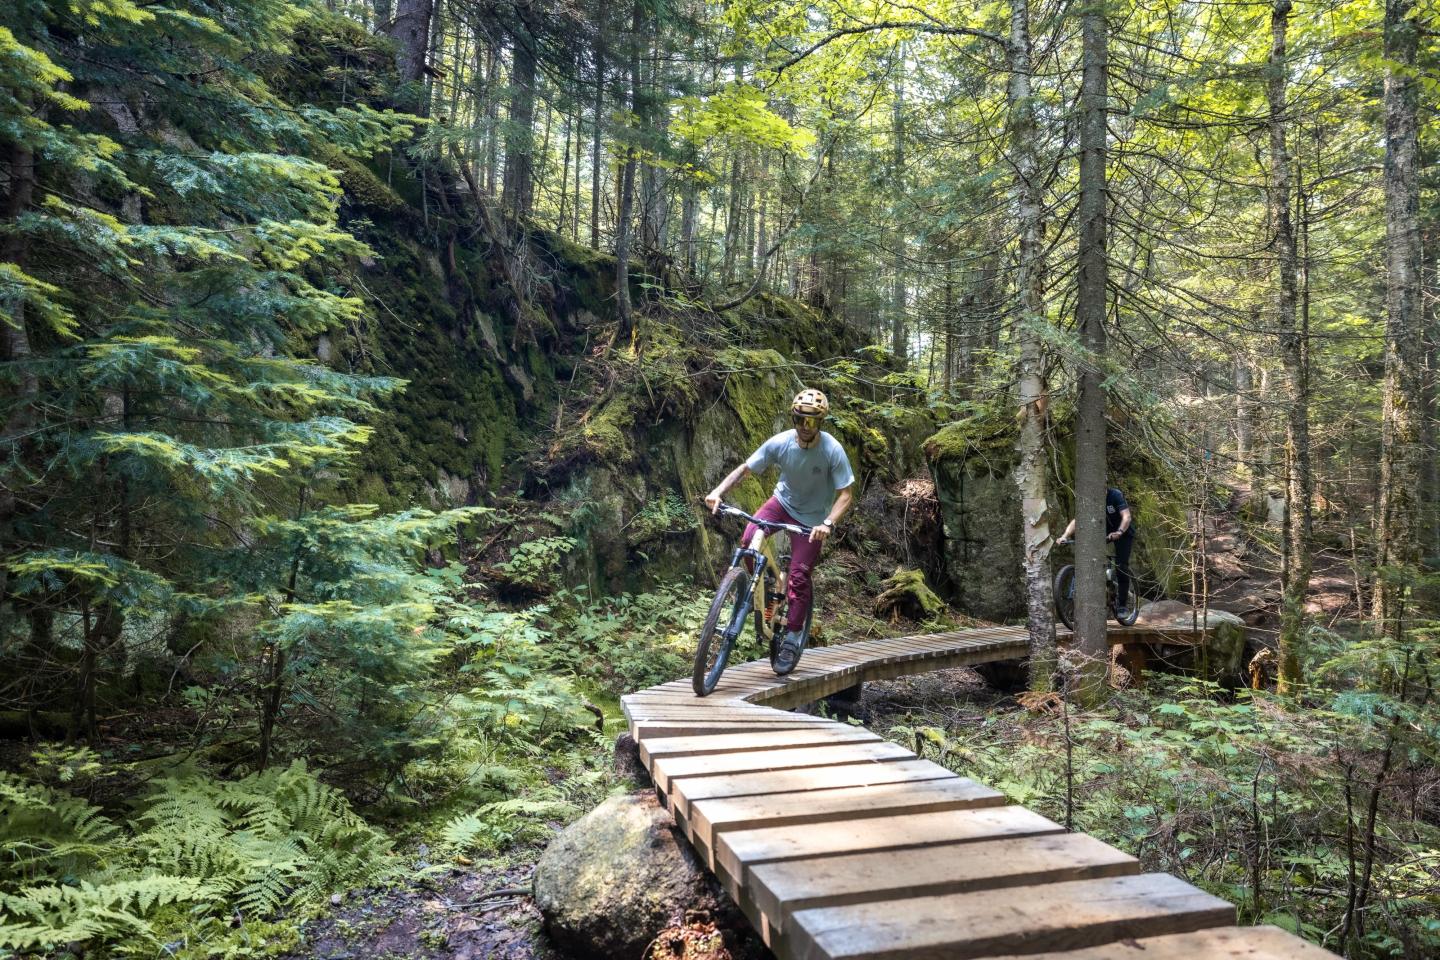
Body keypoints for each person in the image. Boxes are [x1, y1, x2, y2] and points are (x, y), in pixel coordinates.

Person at [704, 388, 855, 672]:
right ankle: (760, 586)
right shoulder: (781, 442)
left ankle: (793, 636)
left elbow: (846, 494)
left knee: (799, 577)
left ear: (820, 423)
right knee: (749, 540)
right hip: (782, 503)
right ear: (794, 418)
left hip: (812, 520)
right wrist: (718, 491)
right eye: (800, 420)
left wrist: (827, 523)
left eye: (812, 422)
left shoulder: (832, 449)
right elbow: (746, 469)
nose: (805, 427)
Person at [1057, 487, 1137, 618]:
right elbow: (1077, 520)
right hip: (1103, 531)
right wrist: (1064, 536)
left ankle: (1122, 606)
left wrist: (1119, 532)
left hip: (1123, 532)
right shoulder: (1091, 498)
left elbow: (1126, 517)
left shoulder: (1115, 495)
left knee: (1121, 566)